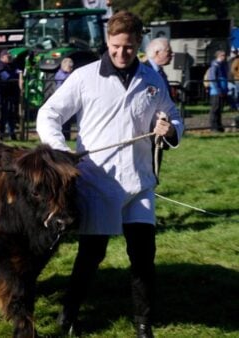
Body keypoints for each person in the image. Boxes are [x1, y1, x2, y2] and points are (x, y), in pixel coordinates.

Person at [37, 11, 184, 338]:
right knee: (91, 255)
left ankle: (144, 326)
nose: (121, 54)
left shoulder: (151, 78)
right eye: (116, 47)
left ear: (139, 44)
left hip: (139, 185)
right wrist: (60, 151)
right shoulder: (85, 77)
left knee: (144, 256)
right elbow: (48, 114)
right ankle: (68, 316)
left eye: (129, 48)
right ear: (107, 42)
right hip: (97, 184)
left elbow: (173, 117)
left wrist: (169, 129)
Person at [0, 49, 20, 140]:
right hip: (2, 93)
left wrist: (16, 75)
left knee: (12, 113)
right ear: (2, 57)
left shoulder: (12, 64)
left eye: (10, 57)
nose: (10, 58)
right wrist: (15, 75)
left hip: (12, 92)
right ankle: (2, 133)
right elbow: (6, 77)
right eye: (7, 57)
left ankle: (12, 133)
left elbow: (19, 73)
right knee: (2, 114)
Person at [206, 50, 228, 132]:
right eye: (223, 55)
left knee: (219, 110)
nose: (224, 57)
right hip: (216, 92)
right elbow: (213, 79)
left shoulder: (222, 65)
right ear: (218, 56)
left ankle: (219, 126)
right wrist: (219, 90)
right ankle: (213, 126)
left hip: (222, 90)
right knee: (215, 109)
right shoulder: (215, 66)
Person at [55, 57, 75, 140]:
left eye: (72, 67)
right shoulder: (61, 75)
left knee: (67, 119)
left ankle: (67, 136)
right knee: (64, 118)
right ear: (64, 66)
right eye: (69, 67)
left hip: (67, 99)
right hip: (62, 99)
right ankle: (64, 135)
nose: (71, 69)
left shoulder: (65, 74)